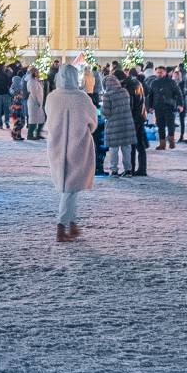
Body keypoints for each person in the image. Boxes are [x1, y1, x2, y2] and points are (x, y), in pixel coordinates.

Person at [45, 63, 98, 243]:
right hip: (78, 146)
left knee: (70, 188)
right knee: (71, 188)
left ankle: (72, 224)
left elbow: (48, 117)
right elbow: (93, 121)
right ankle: (62, 226)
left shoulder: (53, 97)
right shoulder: (81, 98)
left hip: (57, 145)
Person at [101, 71, 136, 177]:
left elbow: (106, 112)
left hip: (114, 126)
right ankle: (128, 170)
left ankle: (114, 170)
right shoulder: (124, 91)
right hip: (127, 124)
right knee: (126, 148)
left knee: (114, 149)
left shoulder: (107, 95)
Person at [24, 67, 47, 141]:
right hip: (34, 102)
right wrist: (37, 102)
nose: (38, 73)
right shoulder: (31, 81)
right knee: (33, 119)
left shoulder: (35, 80)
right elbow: (33, 93)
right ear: (33, 73)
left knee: (42, 118)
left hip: (38, 102)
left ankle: (38, 134)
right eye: (37, 72)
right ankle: (30, 135)